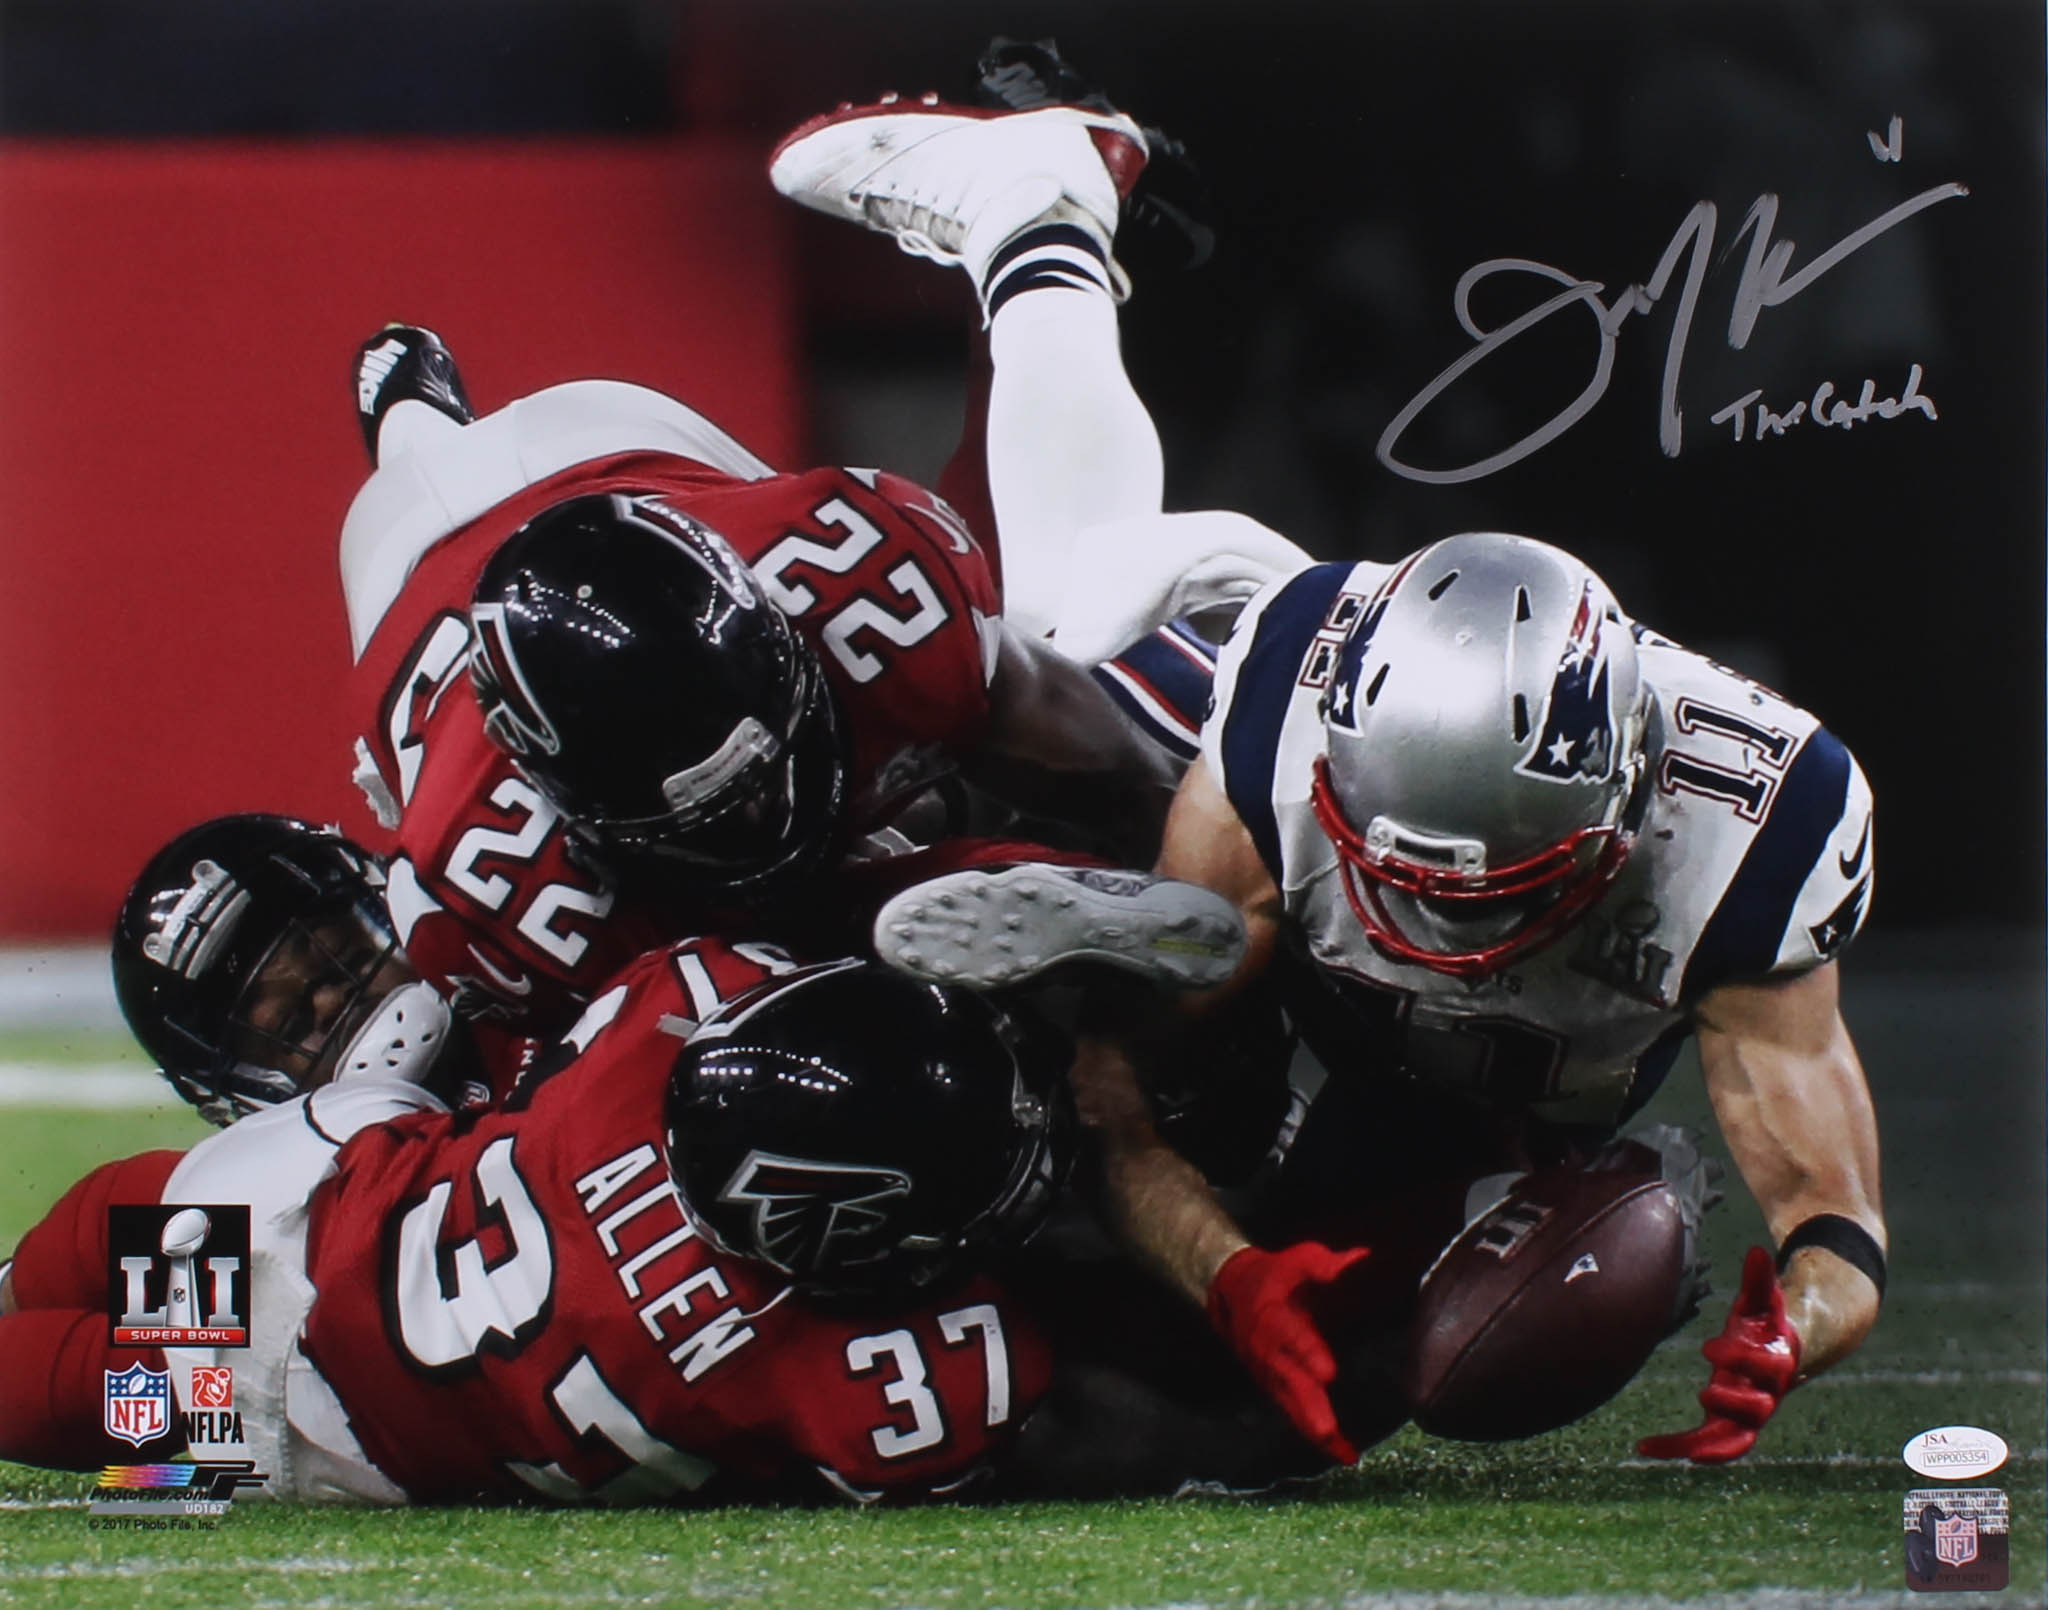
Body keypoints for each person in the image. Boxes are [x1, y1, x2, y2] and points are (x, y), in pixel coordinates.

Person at [880, 530, 1885, 1469]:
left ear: (1624, 802)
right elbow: (1117, 1085)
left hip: (1482, 1089)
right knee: (1141, 1009)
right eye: (1400, 875)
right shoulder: (1285, 721)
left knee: (1303, 1393)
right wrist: (1223, 1269)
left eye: (1495, 891)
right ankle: (999, 835)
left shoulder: (1752, 840)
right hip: (1301, 963)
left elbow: (1836, 1224)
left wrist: (1790, 1331)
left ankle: (1562, 1196)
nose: (1433, 924)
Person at [0, 936, 1073, 1503]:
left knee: (117, 1223)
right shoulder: (840, 1379)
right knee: (89, 1384)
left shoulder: (661, 1020)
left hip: (317, 1187)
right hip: (327, 1416)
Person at [109, 812, 496, 1120]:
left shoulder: (524, 1012)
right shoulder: (293, 1194)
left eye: (353, 960)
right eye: (291, 1026)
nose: (331, 1002)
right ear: (253, 1089)